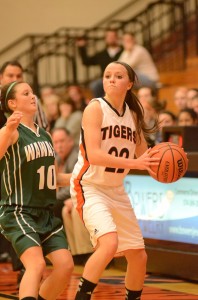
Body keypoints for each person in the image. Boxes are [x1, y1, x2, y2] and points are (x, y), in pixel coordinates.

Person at [70, 61, 160, 300]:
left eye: (118, 76)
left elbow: (144, 155)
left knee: (139, 256)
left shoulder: (132, 115)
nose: (111, 79)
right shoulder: (95, 108)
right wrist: (135, 164)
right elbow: (95, 155)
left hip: (115, 189)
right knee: (108, 245)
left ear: (129, 84)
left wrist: (163, 167)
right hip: (90, 186)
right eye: (107, 75)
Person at [0, 81, 74, 300]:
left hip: (45, 213)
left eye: (32, 92)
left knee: (65, 266)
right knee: (37, 264)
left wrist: (81, 177)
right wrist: (8, 128)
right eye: (26, 93)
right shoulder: (11, 132)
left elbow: (53, 178)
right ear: (12, 103)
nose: (33, 96)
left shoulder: (45, 135)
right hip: (18, 211)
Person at [51, 127, 93, 259]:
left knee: (54, 207)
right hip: (74, 196)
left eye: (62, 141)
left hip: (87, 194)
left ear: (70, 141)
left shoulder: (76, 156)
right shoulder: (58, 158)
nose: (59, 146)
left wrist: (53, 198)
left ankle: (83, 253)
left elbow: (76, 183)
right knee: (60, 208)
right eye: (56, 143)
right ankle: (75, 252)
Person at [76, 29, 123, 97]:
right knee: (95, 85)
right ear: (105, 39)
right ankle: (100, 104)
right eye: (108, 36)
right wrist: (82, 48)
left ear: (117, 38)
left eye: (113, 36)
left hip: (120, 78)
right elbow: (86, 62)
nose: (111, 38)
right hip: (105, 79)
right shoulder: (102, 54)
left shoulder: (124, 52)